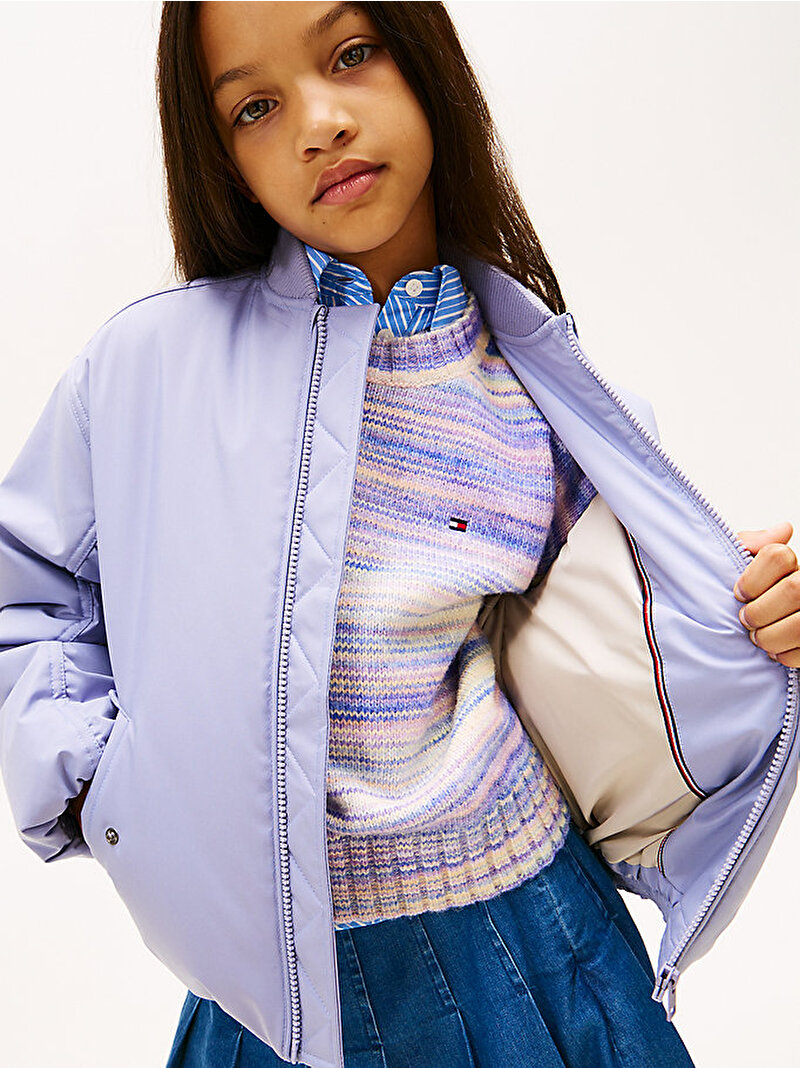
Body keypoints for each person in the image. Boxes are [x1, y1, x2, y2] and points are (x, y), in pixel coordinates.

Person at [0, 3, 798, 1066]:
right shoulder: (145, 369)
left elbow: (617, 625)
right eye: (253, 107)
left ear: (423, 61)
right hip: (273, 996)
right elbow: (27, 581)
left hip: (535, 932)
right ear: (219, 157)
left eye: (351, 54)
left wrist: (752, 609)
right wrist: (95, 779)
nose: (318, 123)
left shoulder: (536, 384)